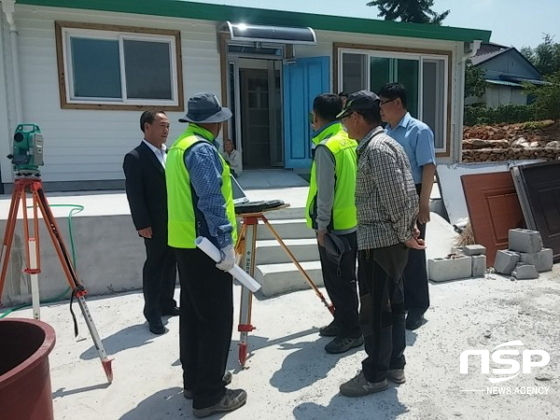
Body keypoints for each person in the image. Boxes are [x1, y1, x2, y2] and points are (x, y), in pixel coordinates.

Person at [336, 90, 424, 397]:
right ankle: (393, 363)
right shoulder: (384, 143)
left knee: (375, 310)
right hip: (388, 241)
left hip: (382, 243)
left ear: (357, 117)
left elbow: (398, 197)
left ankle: (374, 374)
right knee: (392, 305)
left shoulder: (376, 149)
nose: (345, 125)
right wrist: (408, 231)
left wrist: (405, 234)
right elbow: (406, 192)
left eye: (346, 119)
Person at [166, 92, 247, 418]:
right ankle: (210, 395)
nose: (223, 125)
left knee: (194, 315)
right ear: (213, 121)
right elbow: (210, 199)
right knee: (215, 320)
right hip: (206, 246)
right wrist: (225, 242)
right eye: (221, 120)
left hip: (185, 243)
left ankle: (196, 380)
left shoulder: (179, 146)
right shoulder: (200, 151)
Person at [306, 93, 362, 354]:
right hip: (351, 222)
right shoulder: (348, 141)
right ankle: (342, 320)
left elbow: (325, 192)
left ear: (316, 116)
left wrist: (322, 226)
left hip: (335, 227)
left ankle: (352, 330)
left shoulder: (327, 147)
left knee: (339, 281)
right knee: (345, 278)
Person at [378, 82, 436, 331]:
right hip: (391, 196)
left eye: (382, 102)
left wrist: (424, 205)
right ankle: (398, 304)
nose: (379, 108)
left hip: (413, 194)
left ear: (397, 103)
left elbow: (429, 167)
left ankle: (417, 307)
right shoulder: (385, 132)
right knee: (394, 254)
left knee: (413, 253)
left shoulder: (418, 130)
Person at [123, 110, 179, 335]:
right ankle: (152, 313)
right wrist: (142, 224)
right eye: (162, 125)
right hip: (153, 224)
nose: (166, 130)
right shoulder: (135, 157)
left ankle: (167, 303)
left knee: (171, 264)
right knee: (155, 267)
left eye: (168, 126)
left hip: (174, 222)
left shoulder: (171, 154)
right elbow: (134, 194)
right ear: (147, 127)